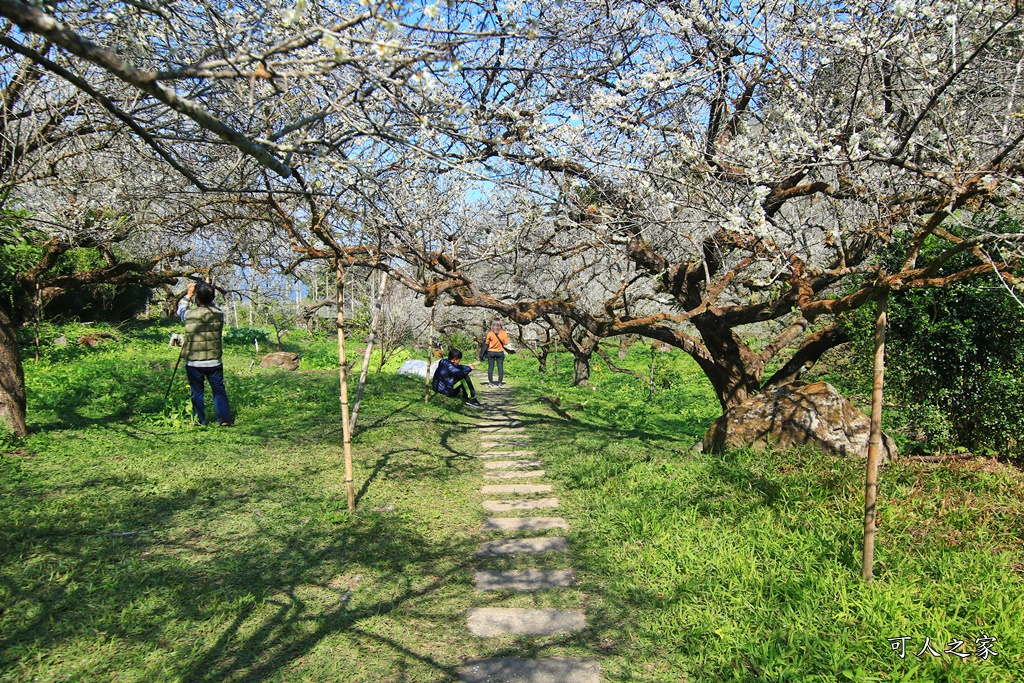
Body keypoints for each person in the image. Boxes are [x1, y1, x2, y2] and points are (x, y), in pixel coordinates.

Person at [176, 281, 233, 426]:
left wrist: (188, 296)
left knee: (197, 392)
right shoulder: (219, 314)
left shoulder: (189, 314)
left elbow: (180, 311)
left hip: (194, 362)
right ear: (212, 298)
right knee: (219, 390)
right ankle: (224, 419)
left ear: (197, 297)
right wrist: (205, 295)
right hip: (214, 361)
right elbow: (212, 306)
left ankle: (199, 420)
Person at [484, 318, 509, 386]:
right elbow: (506, 343)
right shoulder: (504, 333)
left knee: (490, 367)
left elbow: (486, 343)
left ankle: (490, 382)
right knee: (500, 367)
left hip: (491, 352)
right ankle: (500, 382)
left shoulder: (490, 333)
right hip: (500, 352)